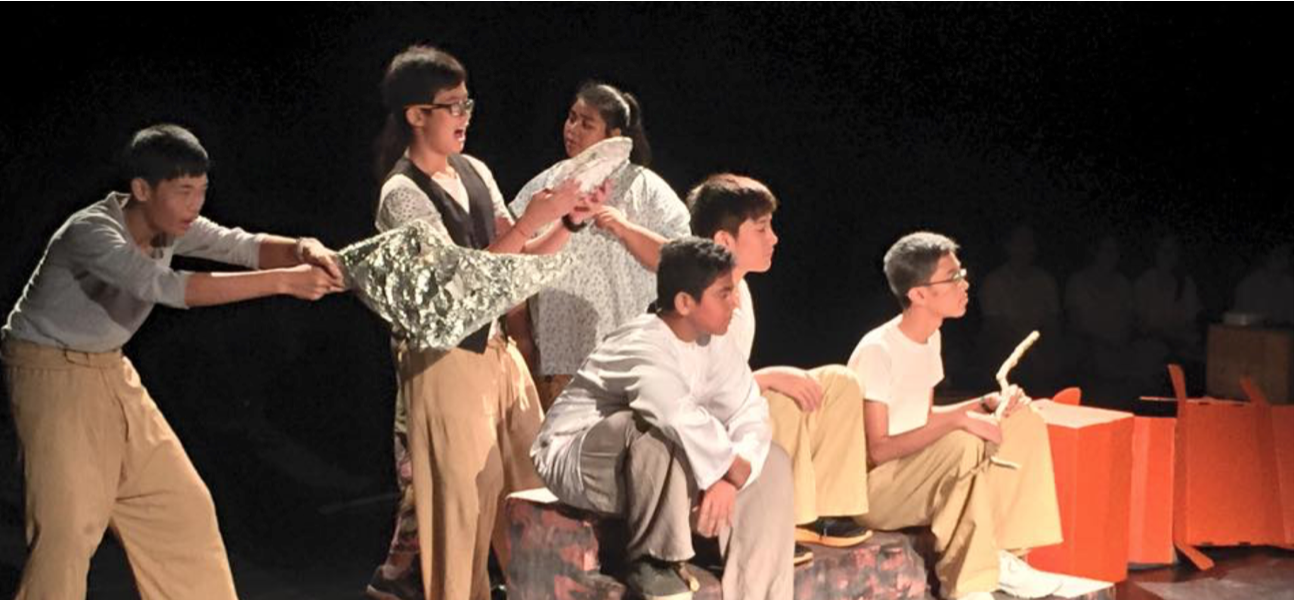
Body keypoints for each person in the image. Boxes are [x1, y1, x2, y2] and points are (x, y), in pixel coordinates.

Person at [2, 123, 344, 600]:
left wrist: (303, 247)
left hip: (110, 368)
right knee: (68, 530)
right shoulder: (91, 232)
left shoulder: (170, 226)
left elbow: (242, 245)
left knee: (181, 510)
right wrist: (286, 282)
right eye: (184, 191)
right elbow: (162, 286)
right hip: (50, 371)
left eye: (201, 191)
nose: (195, 205)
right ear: (142, 189)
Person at [366, 45, 593, 600]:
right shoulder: (402, 194)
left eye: (467, 103)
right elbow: (460, 284)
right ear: (416, 114)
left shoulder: (474, 171)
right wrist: (532, 220)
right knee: (462, 512)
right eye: (453, 106)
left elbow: (516, 260)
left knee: (534, 491)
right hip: (446, 359)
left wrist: (566, 221)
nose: (465, 115)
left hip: (496, 352)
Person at [532, 237, 792, 600]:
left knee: (773, 461)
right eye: (724, 293)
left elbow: (749, 408)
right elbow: (674, 413)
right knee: (652, 429)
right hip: (582, 458)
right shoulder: (642, 343)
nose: (735, 302)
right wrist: (726, 466)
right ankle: (654, 561)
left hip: (659, 464)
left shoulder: (715, 343)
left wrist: (733, 477)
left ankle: (760, 592)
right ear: (685, 302)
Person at [848, 232, 1064, 600]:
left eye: (961, 273)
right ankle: (968, 584)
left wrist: (982, 404)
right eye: (952, 278)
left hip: (912, 469)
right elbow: (879, 450)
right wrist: (959, 421)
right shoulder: (878, 350)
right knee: (962, 443)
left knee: (1020, 420)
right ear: (919, 294)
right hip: (877, 491)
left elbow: (921, 417)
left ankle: (1006, 555)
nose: (964, 284)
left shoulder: (931, 338)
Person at [686, 174, 871, 561]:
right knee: (776, 400)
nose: (773, 238)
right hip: (703, 434)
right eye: (761, 229)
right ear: (724, 241)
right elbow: (695, 395)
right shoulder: (696, 296)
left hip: (733, 411)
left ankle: (823, 513)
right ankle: (782, 521)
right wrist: (767, 378)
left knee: (839, 382)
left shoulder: (741, 288)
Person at [511, 81, 690, 409]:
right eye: (571, 118)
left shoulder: (646, 189)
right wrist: (522, 340)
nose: (573, 129)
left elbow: (681, 264)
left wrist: (623, 227)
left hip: (629, 363)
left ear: (614, 136)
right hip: (557, 361)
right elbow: (510, 263)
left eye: (586, 123)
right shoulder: (545, 185)